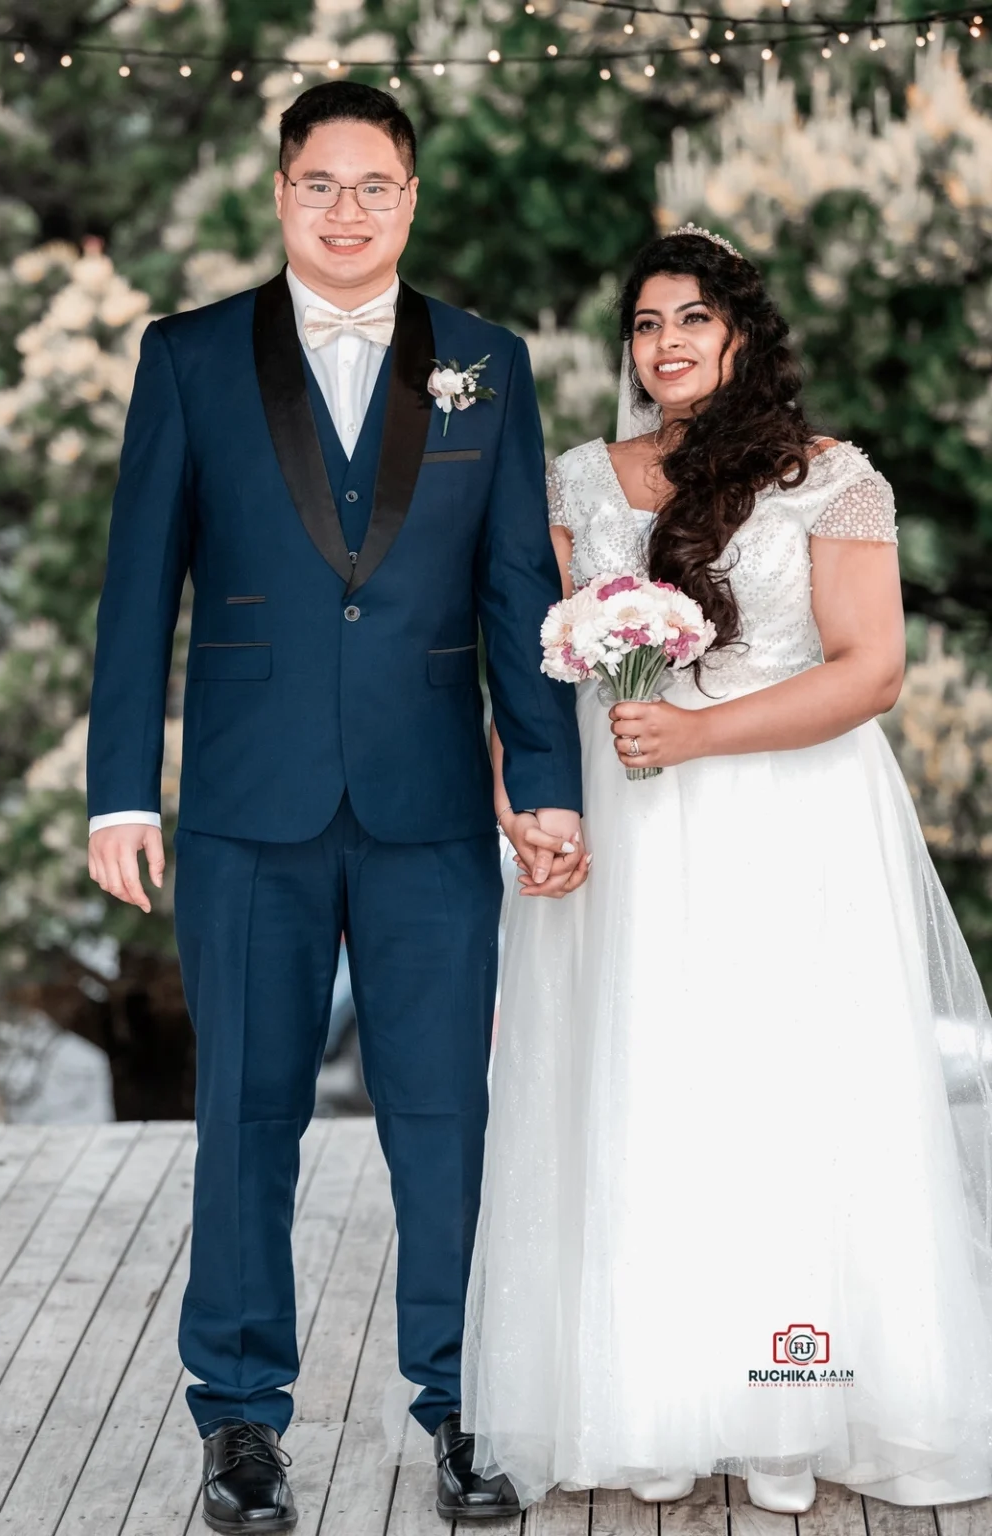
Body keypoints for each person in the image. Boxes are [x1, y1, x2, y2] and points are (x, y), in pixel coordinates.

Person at [85, 82, 585, 1531]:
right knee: (245, 1120)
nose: (347, 210)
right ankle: (239, 1425)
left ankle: (461, 1405)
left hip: (432, 807)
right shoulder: (185, 358)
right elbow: (138, 597)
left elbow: (514, 591)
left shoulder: (485, 361)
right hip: (247, 807)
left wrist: (539, 784)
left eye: (375, 186)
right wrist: (125, 789)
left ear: (410, 199)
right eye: (320, 184)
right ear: (281, 190)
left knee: (444, 1119)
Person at [462, 227, 992, 1515]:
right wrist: (521, 802)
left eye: (691, 319)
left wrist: (699, 731)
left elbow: (869, 671)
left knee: (779, 1097)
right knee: (638, 1082)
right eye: (645, 324)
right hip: (624, 822)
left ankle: (789, 1408)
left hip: (782, 819)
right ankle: (649, 1394)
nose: (667, 345)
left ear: (740, 333)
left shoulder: (830, 478)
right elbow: (527, 656)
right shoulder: (584, 477)